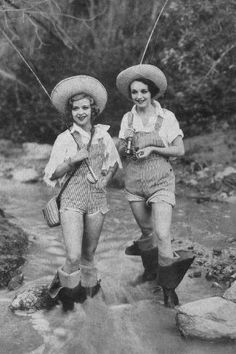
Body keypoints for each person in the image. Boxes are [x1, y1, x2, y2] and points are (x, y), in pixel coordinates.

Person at [116, 64, 194, 307]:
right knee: (147, 232)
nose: (139, 97)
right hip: (135, 182)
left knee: (162, 233)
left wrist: (153, 148)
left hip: (161, 180)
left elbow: (180, 150)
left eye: (143, 92)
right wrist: (124, 143)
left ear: (152, 93)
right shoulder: (127, 118)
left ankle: (168, 290)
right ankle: (150, 272)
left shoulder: (166, 117)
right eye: (134, 93)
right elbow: (121, 151)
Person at [44, 75, 122, 311]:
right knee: (74, 256)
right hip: (71, 200)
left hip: (97, 200)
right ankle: (66, 298)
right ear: (71, 112)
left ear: (93, 109)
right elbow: (51, 174)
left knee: (89, 255)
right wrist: (71, 160)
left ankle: (88, 303)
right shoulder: (64, 138)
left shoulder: (103, 135)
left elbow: (115, 163)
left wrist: (105, 180)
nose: (80, 112)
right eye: (76, 108)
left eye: (85, 107)